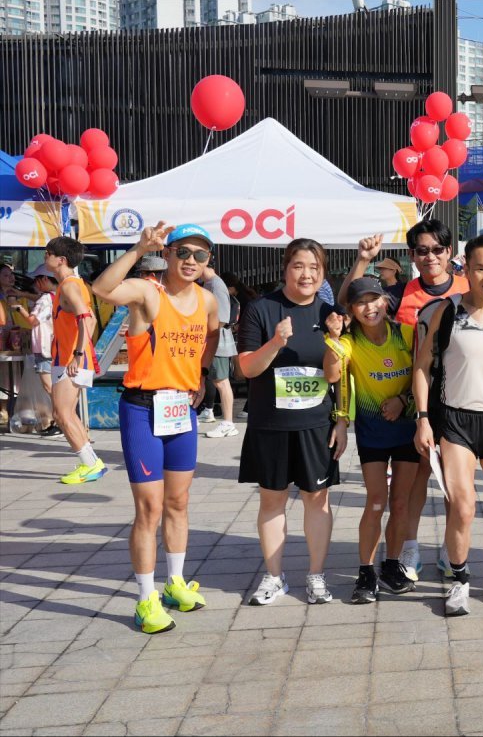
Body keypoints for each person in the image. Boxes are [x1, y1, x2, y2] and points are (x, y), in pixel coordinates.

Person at [94, 223, 221, 636]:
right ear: (167, 254)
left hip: (180, 411)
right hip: (143, 409)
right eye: (183, 252)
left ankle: (175, 584)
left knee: (179, 503)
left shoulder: (206, 300)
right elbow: (102, 288)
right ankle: (146, 598)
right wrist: (137, 248)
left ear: (208, 264)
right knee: (149, 509)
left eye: (200, 256)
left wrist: (200, 374)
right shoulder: (149, 292)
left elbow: (213, 334)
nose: (190, 262)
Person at [338, 221, 468, 580]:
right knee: (417, 480)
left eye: (437, 249)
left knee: (455, 481)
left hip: (460, 399)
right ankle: (409, 548)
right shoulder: (403, 297)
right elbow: (348, 307)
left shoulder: (467, 288)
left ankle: (450, 548)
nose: (430, 257)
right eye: (422, 250)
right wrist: (363, 261)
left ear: (449, 251)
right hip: (417, 403)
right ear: (412, 256)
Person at [413, 235, 483, 617]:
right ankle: (459, 580)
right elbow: (422, 368)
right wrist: (423, 419)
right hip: (457, 420)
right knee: (462, 507)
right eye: (480, 268)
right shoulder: (446, 312)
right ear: (467, 270)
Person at [239, 239, 341, 607]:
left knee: (318, 500)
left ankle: (316, 575)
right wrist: (276, 343)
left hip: (316, 424)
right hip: (271, 424)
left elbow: (338, 375)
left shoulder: (331, 313)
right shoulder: (261, 309)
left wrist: (341, 422)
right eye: (299, 265)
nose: (307, 274)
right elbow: (247, 368)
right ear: (285, 268)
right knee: (272, 501)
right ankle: (273, 577)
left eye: (315, 267)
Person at [323, 274, 420, 603]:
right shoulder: (349, 341)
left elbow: (424, 376)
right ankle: (366, 572)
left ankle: (391, 565)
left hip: (407, 430)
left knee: (401, 502)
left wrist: (403, 400)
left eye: (374, 299)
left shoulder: (406, 334)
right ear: (351, 309)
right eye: (360, 302)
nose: (369, 307)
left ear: (385, 302)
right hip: (373, 433)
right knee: (377, 501)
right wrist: (334, 338)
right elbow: (332, 375)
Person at [44, 237, 104, 484]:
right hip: (70, 358)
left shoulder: (69, 285)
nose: (44, 257)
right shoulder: (70, 284)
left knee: (61, 414)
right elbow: (87, 320)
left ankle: (89, 465)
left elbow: (86, 318)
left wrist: (77, 356)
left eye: (47, 253)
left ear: (61, 260)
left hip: (72, 359)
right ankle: (92, 463)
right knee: (67, 412)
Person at [9, 264, 58, 435]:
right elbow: (37, 297)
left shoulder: (46, 299)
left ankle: (58, 421)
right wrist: (22, 295)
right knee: (52, 386)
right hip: (51, 345)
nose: (35, 284)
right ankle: (57, 419)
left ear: (44, 279)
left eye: (36, 280)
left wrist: (17, 307)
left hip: (44, 348)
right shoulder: (54, 295)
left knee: (49, 386)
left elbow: (32, 321)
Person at [198, 266, 239, 438]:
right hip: (213, 339)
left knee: (221, 382)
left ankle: (228, 423)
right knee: (208, 380)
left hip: (217, 341)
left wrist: (207, 336)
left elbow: (221, 318)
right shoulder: (211, 284)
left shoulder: (215, 284)